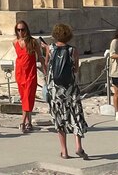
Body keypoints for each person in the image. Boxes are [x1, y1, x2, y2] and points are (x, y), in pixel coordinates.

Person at [47, 23, 89, 160]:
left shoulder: (50, 49)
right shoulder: (73, 50)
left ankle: (64, 151)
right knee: (75, 115)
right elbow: (75, 69)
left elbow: (48, 66)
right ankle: (78, 146)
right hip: (71, 88)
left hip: (55, 89)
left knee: (59, 118)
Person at [13, 20, 46, 133]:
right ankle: (29, 123)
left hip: (30, 73)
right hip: (20, 73)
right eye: (18, 30)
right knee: (24, 98)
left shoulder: (33, 42)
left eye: (23, 29)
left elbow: (40, 56)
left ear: (27, 30)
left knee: (28, 96)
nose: (21, 32)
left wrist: (45, 70)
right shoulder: (15, 42)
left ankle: (23, 121)